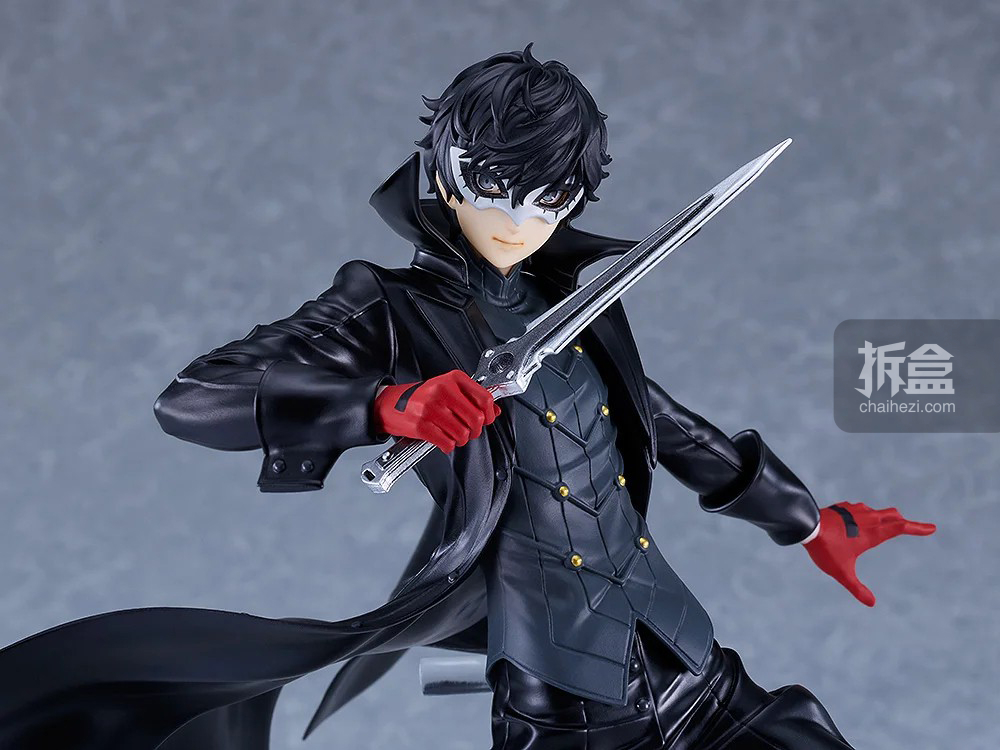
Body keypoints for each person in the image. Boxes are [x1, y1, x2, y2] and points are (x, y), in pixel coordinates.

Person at [0, 44, 934, 750]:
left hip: (687, 657)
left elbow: (662, 423)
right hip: (567, 703)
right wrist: (383, 404)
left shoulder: (571, 303)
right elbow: (194, 398)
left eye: (551, 199)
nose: (522, 223)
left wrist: (807, 521)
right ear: (443, 168)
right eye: (497, 189)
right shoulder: (388, 307)